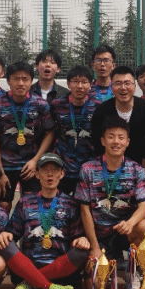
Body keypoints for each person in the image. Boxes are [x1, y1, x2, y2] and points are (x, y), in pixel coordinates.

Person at [75, 119, 145, 285]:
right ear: (103, 141)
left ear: (127, 142)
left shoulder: (137, 170)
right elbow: (84, 210)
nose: (116, 141)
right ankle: (108, 267)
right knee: (95, 287)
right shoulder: (87, 169)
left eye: (120, 137)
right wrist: (94, 247)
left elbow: (144, 206)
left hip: (124, 232)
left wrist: (130, 222)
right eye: (111, 137)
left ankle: (134, 269)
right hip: (98, 235)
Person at [5, 154, 92, 289]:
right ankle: (49, 287)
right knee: (4, 243)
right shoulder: (25, 202)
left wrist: (81, 239)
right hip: (29, 266)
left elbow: (77, 236)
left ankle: (31, 283)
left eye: (55, 169)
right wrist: (6, 234)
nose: (50, 174)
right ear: (37, 174)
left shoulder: (71, 203)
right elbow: (12, 233)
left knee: (82, 251)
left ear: (62, 174)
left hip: (61, 269)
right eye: (45, 169)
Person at [0, 61, 56, 209]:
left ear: (31, 81)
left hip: (30, 165)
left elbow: (50, 133)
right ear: (8, 81)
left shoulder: (41, 104)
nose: (21, 83)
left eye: (25, 79)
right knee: (3, 204)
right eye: (16, 79)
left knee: (32, 206)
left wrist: (36, 161)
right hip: (5, 165)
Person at [90, 66, 145, 170]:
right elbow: (98, 145)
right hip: (107, 168)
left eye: (127, 83)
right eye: (118, 83)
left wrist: (144, 173)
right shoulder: (101, 111)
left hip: (138, 168)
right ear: (111, 87)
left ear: (134, 87)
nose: (123, 88)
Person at [51, 65, 100, 196]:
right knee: (61, 202)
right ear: (68, 84)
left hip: (88, 167)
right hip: (63, 166)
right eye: (75, 82)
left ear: (91, 85)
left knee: (84, 204)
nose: (79, 86)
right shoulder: (57, 105)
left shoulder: (98, 107)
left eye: (84, 82)